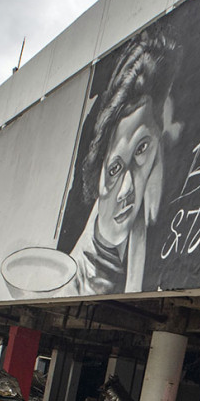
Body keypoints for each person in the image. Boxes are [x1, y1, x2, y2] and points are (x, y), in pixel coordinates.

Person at [68, 28, 180, 295]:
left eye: (142, 148)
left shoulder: (154, 238)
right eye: (116, 168)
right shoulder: (75, 277)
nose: (127, 189)